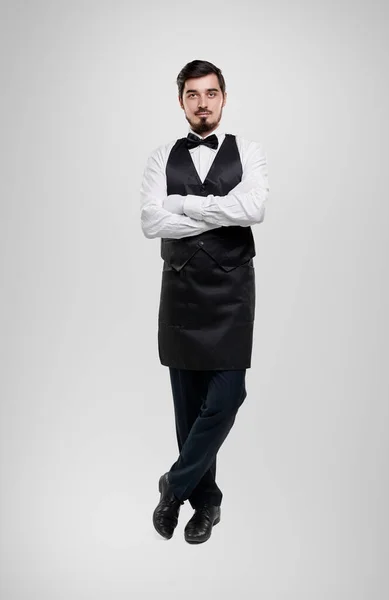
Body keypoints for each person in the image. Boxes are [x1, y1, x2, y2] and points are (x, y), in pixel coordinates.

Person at [140, 59, 269, 544]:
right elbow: (152, 222)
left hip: (231, 296)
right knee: (189, 409)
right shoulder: (160, 157)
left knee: (227, 397)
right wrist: (221, 212)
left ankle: (173, 484)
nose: (202, 103)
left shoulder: (249, 152)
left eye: (210, 93)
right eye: (192, 95)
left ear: (223, 97)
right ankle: (207, 504)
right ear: (181, 101)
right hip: (181, 295)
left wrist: (187, 206)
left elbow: (254, 209)